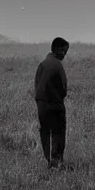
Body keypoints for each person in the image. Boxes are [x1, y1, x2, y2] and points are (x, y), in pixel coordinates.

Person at [34, 37, 70, 170]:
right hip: (55, 104)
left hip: (41, 104)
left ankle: (49, 160)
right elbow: (63, 89)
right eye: (64, 52)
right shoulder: (58, 65)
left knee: (45, 131)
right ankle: (57, 162)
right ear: (58, 50)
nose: (65, 55)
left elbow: (36, 84)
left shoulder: (43, 64)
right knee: (58, 132)